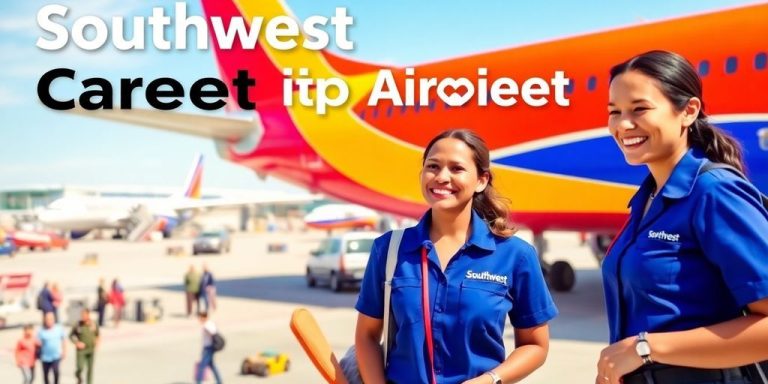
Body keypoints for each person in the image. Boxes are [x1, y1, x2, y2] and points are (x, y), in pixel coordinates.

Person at [598, 50, 768, 384]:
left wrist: (645, 349)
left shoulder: (715, 193)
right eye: (614, 112)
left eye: (640, 109)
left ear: (688, 111)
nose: (623, 124)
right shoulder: (648, 200)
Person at [355, 130, 558, 384]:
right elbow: (366, 336)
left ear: (481, 180)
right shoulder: (389, 250)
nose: (441, 177)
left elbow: (536, 346)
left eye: (456, 168)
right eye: (433, 166)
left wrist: (489, 380)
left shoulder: (515, 255)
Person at [70, 308, 99, 384]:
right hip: (81, 351)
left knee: (90, 369)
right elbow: (71, 336)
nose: (83, 317)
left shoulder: (93, 324)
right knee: (80, 367)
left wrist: (97, 342)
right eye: (82, 315)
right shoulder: (78, 325)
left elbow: (98, 335)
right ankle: (78, 375)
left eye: (85, 315)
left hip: (91, 349)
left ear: (88, 315)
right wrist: (77, 343)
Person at [38, 312, 66, 384]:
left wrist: (64, 351)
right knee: (46, 374)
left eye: (50, 319)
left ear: (54, 320)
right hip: (45, 356)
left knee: (56, 372)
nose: (49, 321)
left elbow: (63, 340)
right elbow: (37, 342)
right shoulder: (41, 330)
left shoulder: (59, 328)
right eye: (47, 319)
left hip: (55, 356)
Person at [195, 312, 222, 384]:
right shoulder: (209, 324)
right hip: (208, 348)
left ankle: (198, 382)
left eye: (200, 318)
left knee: (202, 366)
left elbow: (213, 333)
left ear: (204, 317)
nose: (199, 320)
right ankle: (219, 381)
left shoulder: (207, 325)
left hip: (208, 348)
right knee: (212, 365)